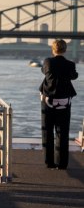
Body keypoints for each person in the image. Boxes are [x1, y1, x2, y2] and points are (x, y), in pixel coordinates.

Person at [40, 39, 78, 170]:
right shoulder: (70, 64)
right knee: (63, 132)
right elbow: (74, 76)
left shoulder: (47, 62)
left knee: (47, 132)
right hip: (64, 102)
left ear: (53, 50)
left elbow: (44, 71)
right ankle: (62, 164)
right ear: (65, 50)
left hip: (48, 101)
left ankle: (49, 162)